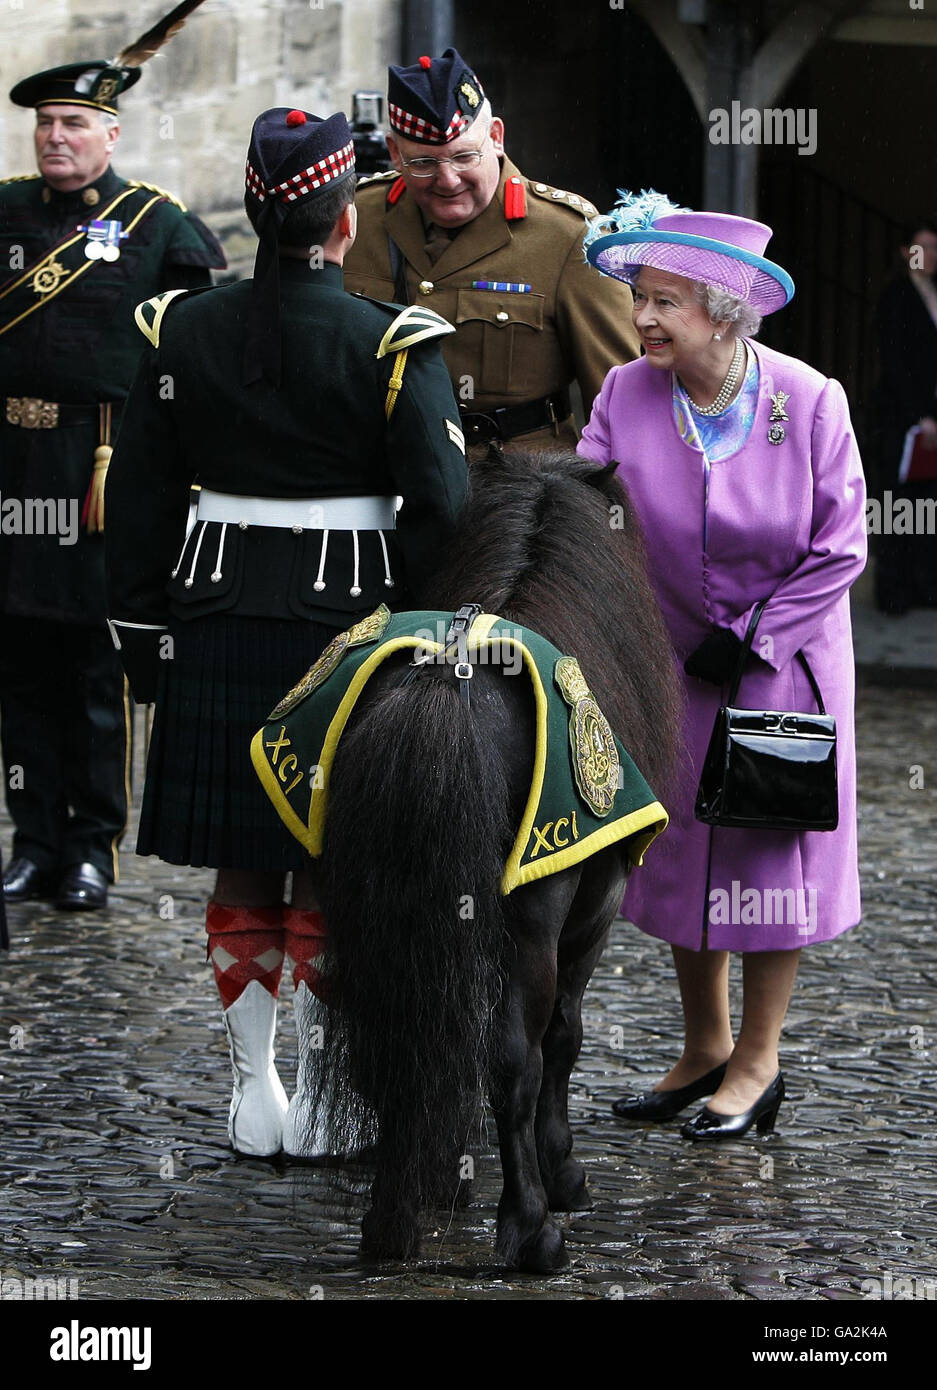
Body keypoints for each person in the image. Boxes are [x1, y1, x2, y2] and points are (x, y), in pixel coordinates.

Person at [105, 108, 468, 1160]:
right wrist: (424, 636)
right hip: (348, 631)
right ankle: (312, 1094)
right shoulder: (392, 341)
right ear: (343, 223)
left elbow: (138, 501)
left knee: (239, 867)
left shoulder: (181, 329)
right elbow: (440, 505)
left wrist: (142, 640)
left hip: (211, 621)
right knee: (323, 864)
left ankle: (250, 1088)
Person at [578, 192, 867, 1140]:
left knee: (763, 852)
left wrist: (757, 635)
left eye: (666, 301)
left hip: (781, 662)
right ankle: (703, 1045)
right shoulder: (626, 393)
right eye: (640, 298)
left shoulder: (807, 400)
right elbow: (588, 506)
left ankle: (758, 1060)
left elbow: (840, 544)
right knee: (680, 853)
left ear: (722, 312)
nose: (644, 318)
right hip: (671, 666)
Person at [0, 58, 225, 911]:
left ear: (112, 134)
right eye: (47, 124)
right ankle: (33, 841)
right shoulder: (6, 210)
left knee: (95, 673)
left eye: (75, 125)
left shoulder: (159, 227)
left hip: (96, 474)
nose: (57, 138)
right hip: (11, 469)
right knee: (19, 665)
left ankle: (91, 848)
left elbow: (194, 362)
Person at [343, 48, 640, 450]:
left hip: (516, 489)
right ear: (394, 153)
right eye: (424, 163)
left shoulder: (569, 235)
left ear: (496, 137)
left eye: (465, 157)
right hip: (383, 477)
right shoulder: (359, 216)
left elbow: (616, 405)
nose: (447, 180)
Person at [872, 219, 937, 614]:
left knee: (928, 501)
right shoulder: (895, 297)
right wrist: (919, 416)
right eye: (922, 247)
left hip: (931, 416)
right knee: (897, 502)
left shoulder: (935, 293)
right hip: (900, 418)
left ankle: (923, 585)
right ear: (905, 252)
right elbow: (895, 364)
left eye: (934, 248)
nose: (928, 256)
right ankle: (892, 590)